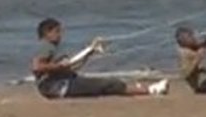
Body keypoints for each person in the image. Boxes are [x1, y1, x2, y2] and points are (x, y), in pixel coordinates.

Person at [31, 18, 170, 99]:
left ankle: (149, 90)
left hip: (61, 85)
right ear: (47, 33)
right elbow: (36, 67)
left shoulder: (52, 48)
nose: (60, 35)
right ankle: (152, 90)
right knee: (107, 84)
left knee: (107, 86)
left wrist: (90, 52)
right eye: (57, 31)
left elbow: (73, 67)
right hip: (56, 87)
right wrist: (60, 66)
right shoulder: (46, 46)